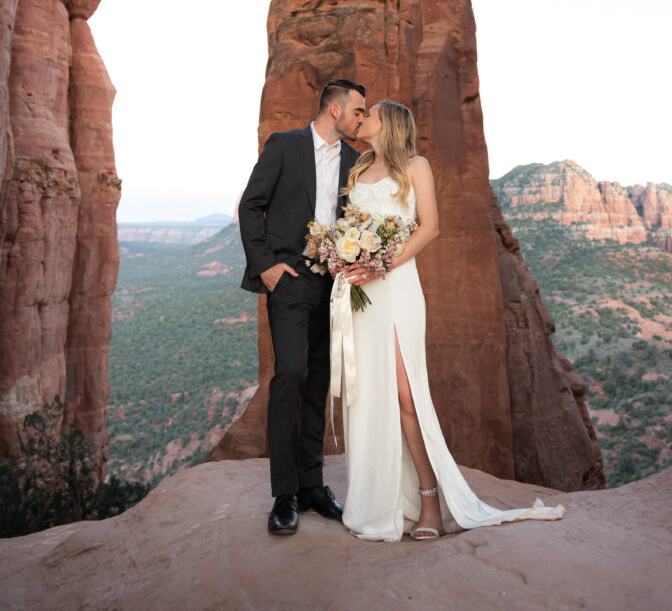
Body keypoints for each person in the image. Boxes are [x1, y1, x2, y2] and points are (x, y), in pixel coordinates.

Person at [338, 99, 565, 541]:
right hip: (362, 291)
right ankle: (379, 500)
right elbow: (350, 227)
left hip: (398, 287)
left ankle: (429, 499)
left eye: (371, 114)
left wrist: (381, 265)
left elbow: (430, 228)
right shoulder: (358, 168)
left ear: (391, 124)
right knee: (368, 393)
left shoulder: (415, 167)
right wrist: (345, 255)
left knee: (406, 395)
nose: (362, 118)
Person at [238, 78, 366, 535]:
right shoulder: (285, 146)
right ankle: (284, 494)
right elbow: (251, 205)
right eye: (357, 111)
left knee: (318, 382)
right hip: (289, 282)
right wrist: (266, 267)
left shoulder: (354, 161)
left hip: (333, 287)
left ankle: (313, 486)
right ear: (335, 110)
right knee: (290, 376)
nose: (361, 119)